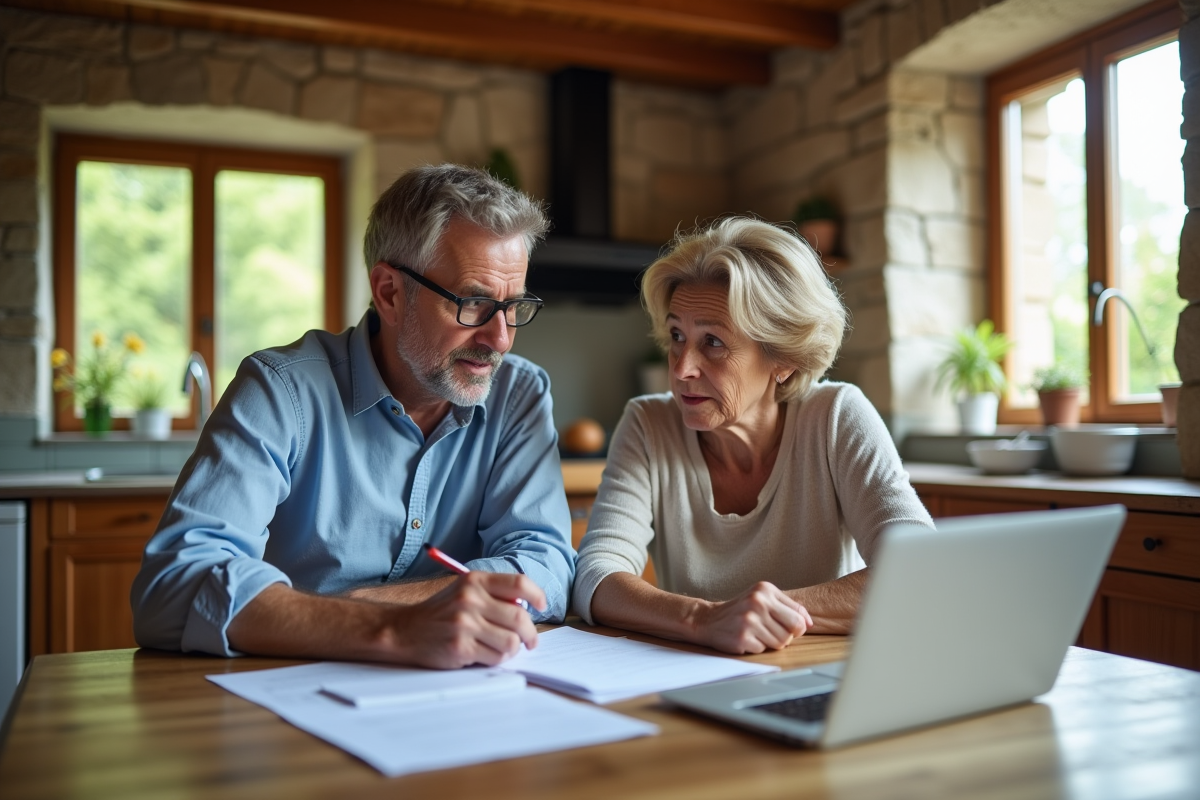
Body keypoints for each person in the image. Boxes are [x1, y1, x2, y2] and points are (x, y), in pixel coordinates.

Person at [132, 164, 575, 669]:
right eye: (473, 303)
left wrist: (369, 607)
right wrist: (389, 626)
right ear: (389, 292)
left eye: (512, 306)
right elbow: (172, 588)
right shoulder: (281, 391)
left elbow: (547, 566)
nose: (499, 339)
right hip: (283, 696)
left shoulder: (517, 394)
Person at [572, 217, 933, 654]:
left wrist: (759, 614)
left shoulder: (836, 416)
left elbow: (918, 568)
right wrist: (704, 620)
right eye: (676, 336)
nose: (682, 367)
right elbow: (596, 577)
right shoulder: (649, 424)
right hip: (699, 675)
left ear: (783, 359)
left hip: (821, 674)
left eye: (713, 342)